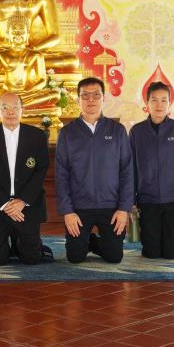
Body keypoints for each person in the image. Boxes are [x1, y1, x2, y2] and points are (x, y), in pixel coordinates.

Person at [55, 77, 133, 264]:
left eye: (96, 95)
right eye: (85, 95)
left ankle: (94, 242)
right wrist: (68, 212)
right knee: (75, 257)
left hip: (111, 206)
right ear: (78, 99)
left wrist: (123, 209)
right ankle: (85, 240)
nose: (91, 100)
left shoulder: (117, 130)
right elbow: (61, 175)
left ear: (103, 98)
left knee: (114, 257)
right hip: (79, 207)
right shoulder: (67, 133)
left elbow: (127, 171)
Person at [0, 92, 50, 266]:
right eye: (5, 107)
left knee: (32, 259)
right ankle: (10, 243)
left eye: (15, 107)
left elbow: (41, 171)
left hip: (26, 206)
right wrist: (5, 204)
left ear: (22, 110)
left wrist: (22, 200)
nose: (10, 112)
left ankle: (25, 244)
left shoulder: (37, 136)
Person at [130, 81, 174, 259]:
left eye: (164, 100)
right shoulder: (136, 132)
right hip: (148, 199)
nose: (159, 105)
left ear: (170, 103)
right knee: (151, 253)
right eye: (154, 100)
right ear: (147, 103)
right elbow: (131, 168)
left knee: (171, 253)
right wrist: (132, 199)